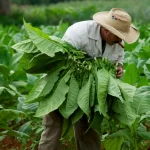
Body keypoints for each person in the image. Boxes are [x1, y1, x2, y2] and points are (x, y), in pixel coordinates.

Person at [38, 8, 140, 150]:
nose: (120, 40)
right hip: (60, 84)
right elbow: (63, 63)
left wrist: (119, 68)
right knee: (53, 127)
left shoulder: (117, 42)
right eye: (118, 36)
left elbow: (118, 60)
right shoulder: (78, 33)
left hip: (89, 91)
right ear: (106, 30)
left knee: (89, 130)